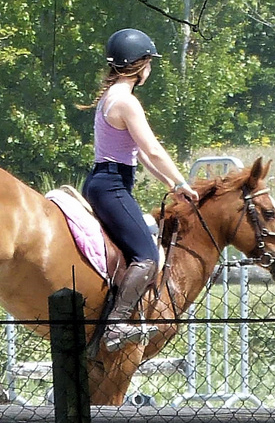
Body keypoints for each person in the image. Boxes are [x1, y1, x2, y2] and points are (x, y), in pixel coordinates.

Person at [82, 28, 197, 350]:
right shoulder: (127, 102)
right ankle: (116, 325)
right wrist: (182, 182)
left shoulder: (110, 97)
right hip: (112, 185)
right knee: (146, 256)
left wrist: (172, 187)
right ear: (140, 64)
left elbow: (142, 156)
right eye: (150, 62)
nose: (151, 68)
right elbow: (155, 149)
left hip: (101, 181)